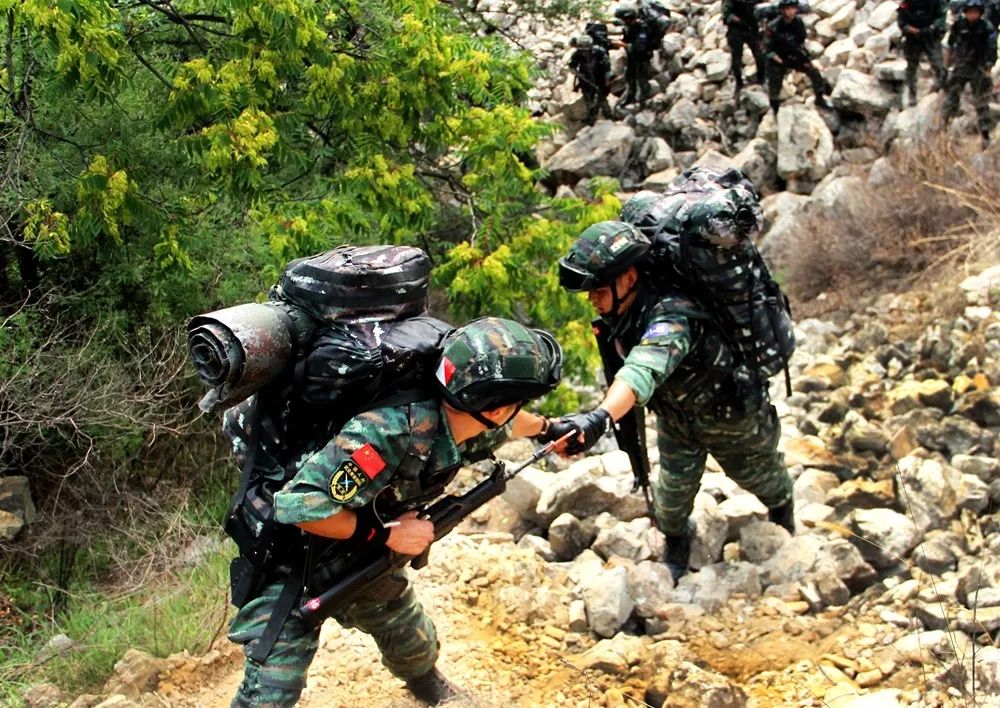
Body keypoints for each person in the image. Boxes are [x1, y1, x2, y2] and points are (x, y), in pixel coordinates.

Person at [225, 317, 563, 706]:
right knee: (269, 693)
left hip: (358, 555)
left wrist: (550, 430)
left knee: (411, 638)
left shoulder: (459, 415)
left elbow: (513, 424)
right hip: (293, 563)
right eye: (514, 403)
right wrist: (386, 535)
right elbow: (299, 505)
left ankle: (425, 682)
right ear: (497, 407)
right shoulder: (391, 430)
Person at [541, 221, 794, 581]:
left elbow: (642, 368)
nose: (591, 298)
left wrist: (599, 418)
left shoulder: (674, 313)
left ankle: (784, 513)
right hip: (677, 421)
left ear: (628, 276)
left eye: (597, 288)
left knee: (763, 479)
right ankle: (677, 545)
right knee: (670, 502)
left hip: (729, 416)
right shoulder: (623, 313)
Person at [942, 0, 997, 148]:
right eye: (970, 12)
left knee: (982, 102)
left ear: (980, 13)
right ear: (965, 12)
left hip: (978, 68)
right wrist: (947, 65)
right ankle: (944, 130)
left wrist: (988, 66)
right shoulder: (959, 25)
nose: (972, 15)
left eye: (975, 12)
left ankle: (985, 135)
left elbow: (992, 49)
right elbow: (950, 44)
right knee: (951, 99)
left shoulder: (986, 27)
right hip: (961, 67)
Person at [764, 0, 832, 115]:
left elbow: (800, 43)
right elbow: (767, 48)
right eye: (789, 9)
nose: (792, 11)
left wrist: (805, 59)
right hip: (778, 58)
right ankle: (775, 110)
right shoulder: (773, 27)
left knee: (814, 71)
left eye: (793, 8)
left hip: (794, 55)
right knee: (774, 86)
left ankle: (820, 99)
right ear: (782, 11)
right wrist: (778, 60)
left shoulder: (798, 22)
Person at [898, 0, 948, 106]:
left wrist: (932, 28)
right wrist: (912, 30)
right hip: (913, 38)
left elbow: (942, 16)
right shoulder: (907, 3)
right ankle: (912, 93)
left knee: (938, 63)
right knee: (911, 67)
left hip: (931, 36)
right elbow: (901, 22)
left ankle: (941, 87)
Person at [614, 1, 655, 106]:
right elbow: (627, 37)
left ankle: (644, 102)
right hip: (633, 58)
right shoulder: (630, 27)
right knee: (630, 78)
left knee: (642, 80)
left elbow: (640, 46)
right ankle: (630, 98)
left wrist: (623, 45)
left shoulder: (643, 29)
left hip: (642, 59)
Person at [724, 0, 768, 94]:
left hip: (750, 28)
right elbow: (727, 14)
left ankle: (760, 79)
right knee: (737, 58)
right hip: (737, 30)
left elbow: (763, 9)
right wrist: (740, 21)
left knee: (758, 53)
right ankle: (740, 83)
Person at [569, 34, 612, 124]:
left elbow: (607, 66)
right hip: (585, 79)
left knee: (602, 96)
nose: (585, 53)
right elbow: (572, 66)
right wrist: (578, 74)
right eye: (582, 51)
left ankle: (608, 114)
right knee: (588, 97)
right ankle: (591, 117)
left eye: (587, 51)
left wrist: (607, 79)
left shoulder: (600, 52)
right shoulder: (577, 55)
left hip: (600, 77)